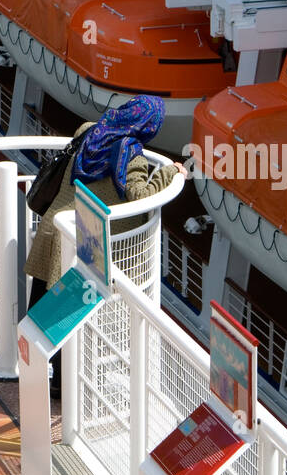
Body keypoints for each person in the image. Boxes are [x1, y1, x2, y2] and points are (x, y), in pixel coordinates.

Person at [26, 96, 183, 394]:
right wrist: (170, 172)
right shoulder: (131, 155)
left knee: (40, 307)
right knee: (68, 313)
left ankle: (31, 366)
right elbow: (138, 195)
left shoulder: (88, 129)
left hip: (53, 226)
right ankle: (63, 384)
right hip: (82, 239)